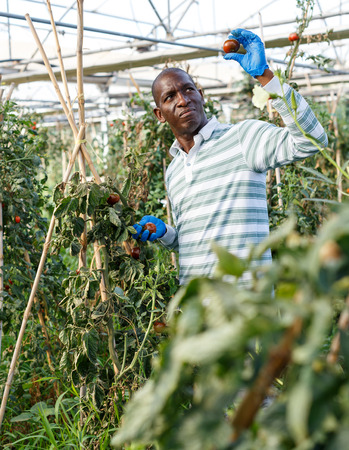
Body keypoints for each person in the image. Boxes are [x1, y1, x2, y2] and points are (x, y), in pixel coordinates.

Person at [131, 28, 328, 287]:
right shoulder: (174, 171)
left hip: (248, 311)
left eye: (189, 90)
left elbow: (311, 140)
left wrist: (266, 78)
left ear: (201, 95)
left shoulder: (243, 138)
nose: (183, 100)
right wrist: (166, 233)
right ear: (160, 114)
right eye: (170, 97)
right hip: (198, 313)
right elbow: (193, 244)